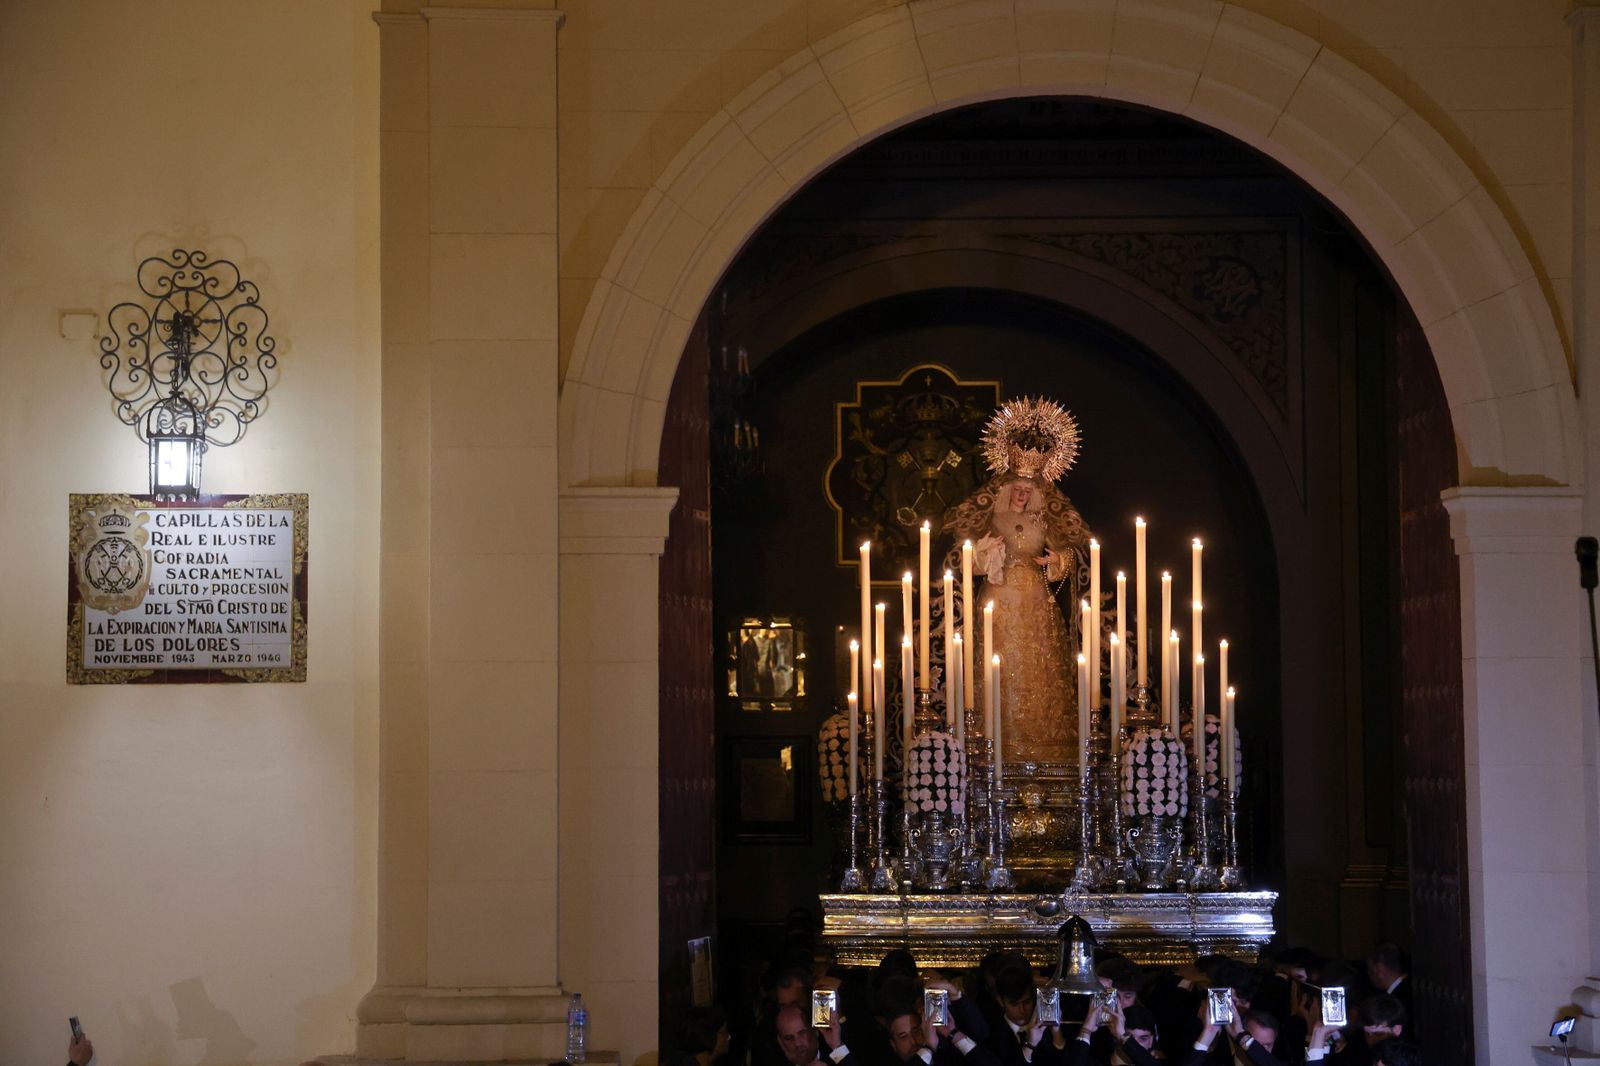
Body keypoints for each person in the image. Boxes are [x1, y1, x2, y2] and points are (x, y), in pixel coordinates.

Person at [942, 398, 1092, 765]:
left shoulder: (1042, 521)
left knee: (1038, 666)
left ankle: (1045, 747)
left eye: (1028, 491)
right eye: (1017, 490)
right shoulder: (995, 519)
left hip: (1036, 599)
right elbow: (970, 558)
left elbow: (1069, 553)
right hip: (999, 596)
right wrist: (987, 551)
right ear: (1008, 490)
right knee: (1001, 662)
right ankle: (995, 741)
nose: (1022, 495)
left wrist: (1056, 560)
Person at [1365, 944, 1411, 1022]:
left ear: (1379, 969)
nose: (1368, 974)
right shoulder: (1413, 987)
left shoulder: (1395, 1001)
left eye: (1370, 969)